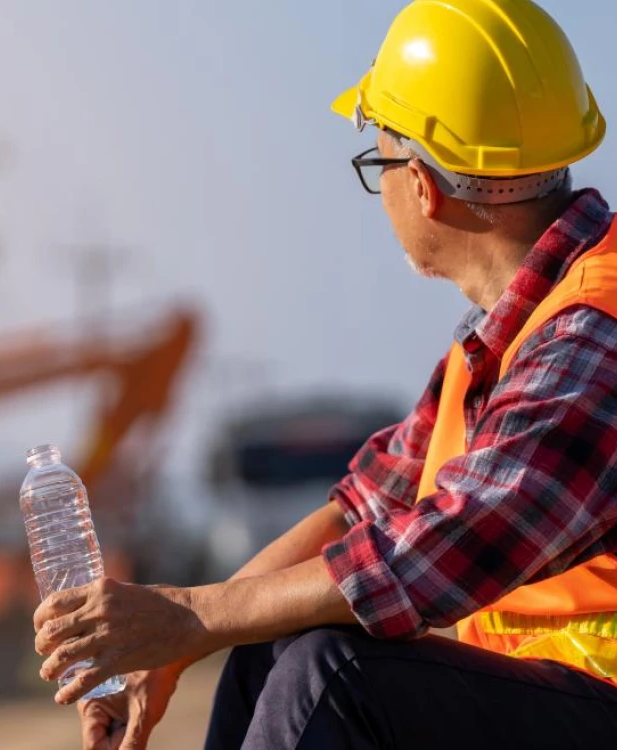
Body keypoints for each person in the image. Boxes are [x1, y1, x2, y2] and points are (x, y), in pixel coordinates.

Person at [32, 0, 617, 747]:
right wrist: (188, 637)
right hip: (554, 708)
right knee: (268, 649)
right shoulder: (512, 337)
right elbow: (363, 509)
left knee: (330, 671)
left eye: (379, 164)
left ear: (421, 184)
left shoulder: (593, 335)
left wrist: (189, 611)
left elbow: (443, 553)